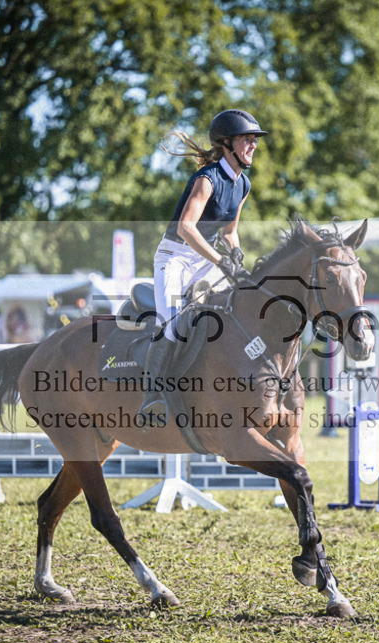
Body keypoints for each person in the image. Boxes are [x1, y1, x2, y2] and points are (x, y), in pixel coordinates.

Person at [138, 109, 268, 424]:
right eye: (246, 139)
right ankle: (151, 395)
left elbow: (229, 233)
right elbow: (186, 227)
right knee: (171, 323)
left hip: (205, 258)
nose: (253, 145)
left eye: (254, 140)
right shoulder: (207, 179)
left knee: (237, 305)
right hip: (176, 257)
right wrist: (221, 260)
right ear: (227, 143)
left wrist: (236, 255)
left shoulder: (243, 184)